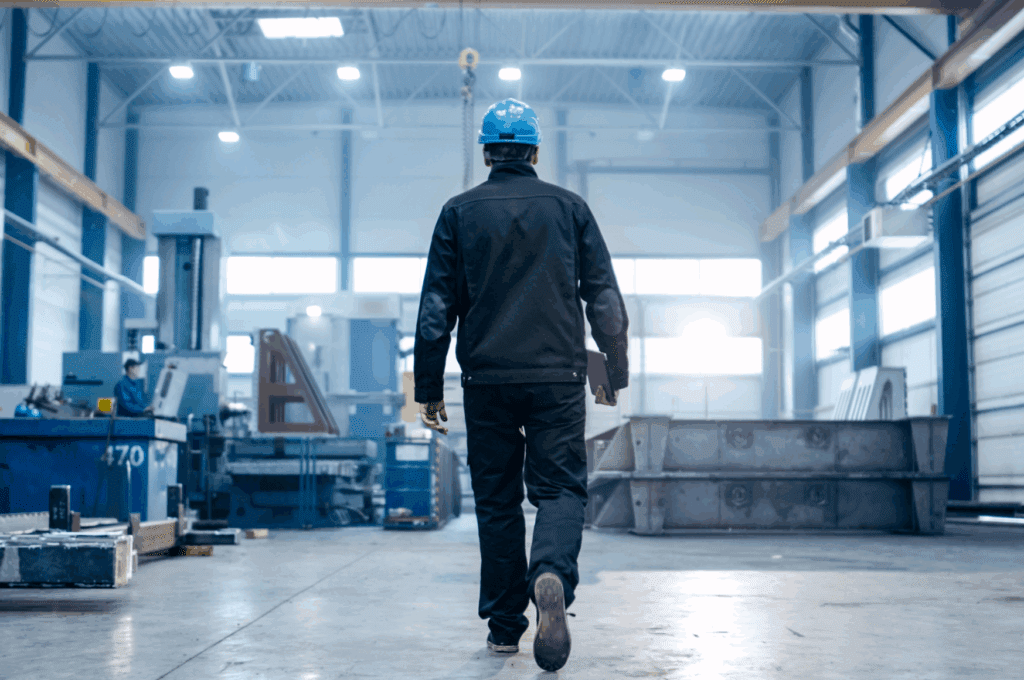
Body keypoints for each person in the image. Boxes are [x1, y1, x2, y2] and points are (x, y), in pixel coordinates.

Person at [413, 98, 629, 672]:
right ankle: (552, 572)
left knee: (497, 500)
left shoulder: (457, 212)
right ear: (534, 152)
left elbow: (437, 306)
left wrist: (428, 387)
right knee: (560, 489)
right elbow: (603, 297)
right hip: (559, 375)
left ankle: (506, 628)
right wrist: (615, 367)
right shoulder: (569, 208)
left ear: (487, 152)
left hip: (485, 379)